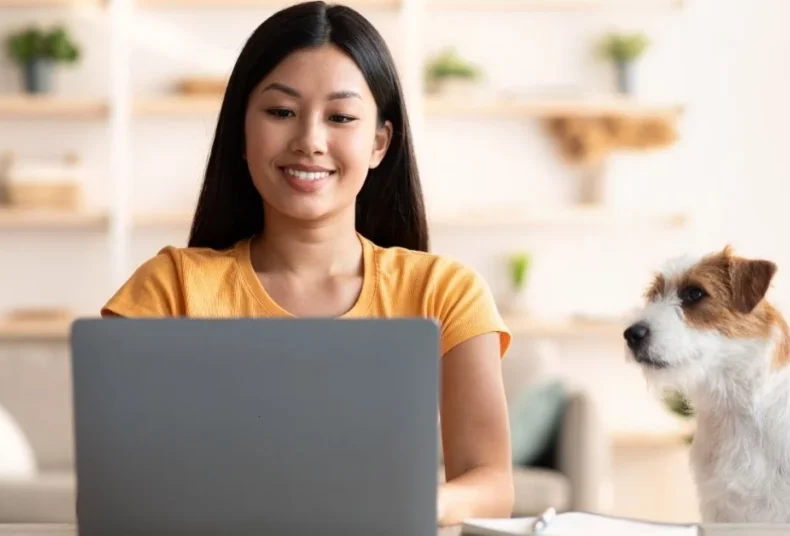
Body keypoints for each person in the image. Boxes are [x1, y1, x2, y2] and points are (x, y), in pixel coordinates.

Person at [99, 0, 514, 527]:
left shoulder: (445, 292)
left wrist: (410, 505)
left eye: (340, 117)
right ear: (242, 136)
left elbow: (492, 484)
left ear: (379, 143)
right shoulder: (170, 288)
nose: (309, 141)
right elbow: (116, 487)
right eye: (280, 112)